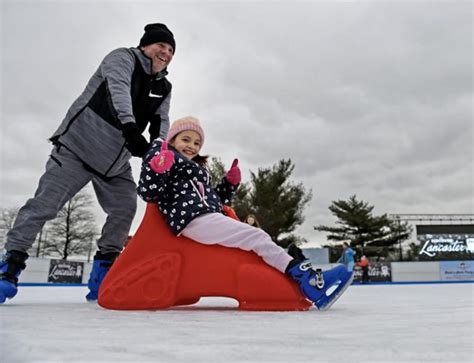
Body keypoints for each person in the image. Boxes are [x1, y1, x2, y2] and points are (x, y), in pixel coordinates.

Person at [0, 23, 176, 304]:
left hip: (114, 164)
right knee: (44, 206)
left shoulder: (163, 87)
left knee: (124, 207)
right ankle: (9, 266)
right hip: (77, 149)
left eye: (170, 50)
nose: (165, 53)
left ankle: (104, 272)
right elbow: (117, 91)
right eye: (161, 46)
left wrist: (158, 149)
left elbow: (161, 121)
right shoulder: (122, 58)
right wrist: (130, 129)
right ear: (145, 45)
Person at [137, 116, 353, 310]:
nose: (192, 146)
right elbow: (148, 193)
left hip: (206, 217)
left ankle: (299, 278)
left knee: (254, 239)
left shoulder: (197, 170)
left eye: (196, 142)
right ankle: (309, 282)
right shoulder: (167, 160)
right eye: (185, 139)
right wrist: (157, 170)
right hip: (192, 220)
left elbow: (213, 201)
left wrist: (229, 184)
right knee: (256, 236)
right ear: (172, 140)